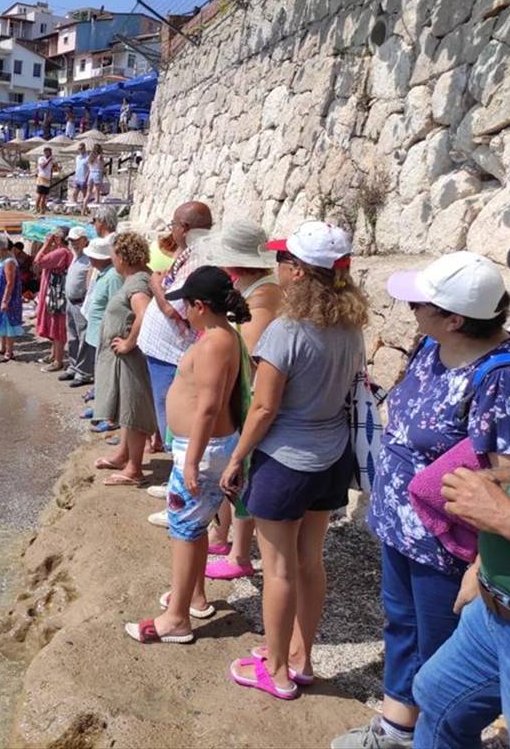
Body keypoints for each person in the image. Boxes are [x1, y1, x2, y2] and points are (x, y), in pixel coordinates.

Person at [332, 251, 510, 748]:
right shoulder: (432, 346)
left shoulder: (505, 377)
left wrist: (478, 563)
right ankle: (395, 728)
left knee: (438, 647)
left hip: (445, 543)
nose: (411, 312)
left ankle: (430, 734)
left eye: (417, 306)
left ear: (454, 318)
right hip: (399, 526)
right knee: (401, 626)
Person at [219, 221, 368, 700]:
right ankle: (301, 657)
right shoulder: (349, 328)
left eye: (284, 261)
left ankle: (277, 670)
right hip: (331, 456)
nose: (277, 267)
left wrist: (237, 458)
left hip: (285, 459)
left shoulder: (286, 331)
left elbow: (264, 408)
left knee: (279, 567)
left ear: (300, 273)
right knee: (310, 560)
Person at [409, 245, 510, 749]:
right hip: (499, 610)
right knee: (436, 698)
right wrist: (484, 565)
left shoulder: (509, 375)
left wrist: (504, 519)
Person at [125, 267, 251, 643]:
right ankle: (192, 597)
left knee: (182, 530)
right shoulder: (221, 336)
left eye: (185, 304)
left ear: (200, 305)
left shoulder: (214, 343)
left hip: (203, 448)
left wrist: (192, 461)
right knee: (193, 527)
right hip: (204, 446)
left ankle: (176, 618)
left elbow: (209, 407)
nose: (182, 310)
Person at [196, 220, 283, 576]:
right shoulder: (258, 288)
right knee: (235, 471)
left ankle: (239, 554)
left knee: (241, 471)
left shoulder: (263, 296)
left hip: (251, 397)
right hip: (248, 394)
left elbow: (251, 353)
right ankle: (224, 535)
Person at [137, 201, 213, 452]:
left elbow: (173, 309)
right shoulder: (190, 255)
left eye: (173, 225)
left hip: (171, 353)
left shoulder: (197, 261)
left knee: (172, 416)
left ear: (184, 228)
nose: (171, 231)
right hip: (164, 350)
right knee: (164, 411)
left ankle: (177, 475)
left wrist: (156, 284)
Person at [92, 232, 156, 485]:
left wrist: (129, 342)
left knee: (133, 407)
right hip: (125, 358)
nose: (112, 260)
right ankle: (122, 455)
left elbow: (144, 312)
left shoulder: (137, 282)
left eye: (114, 256)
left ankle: (134, 469)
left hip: (131, 358)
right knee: (126, 408)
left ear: (123, 258)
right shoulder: (136, 278)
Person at [80, 235, 122, 431]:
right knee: (100, 373)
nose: (90, 259)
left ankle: (110, 416)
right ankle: (100, 408)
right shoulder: (103, 272)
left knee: (108, 376)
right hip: (97, 332)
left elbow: (116, 306)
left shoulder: (113, 276)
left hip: (106, 332)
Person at [34, 228, 73, 372]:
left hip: (56, 294)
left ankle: (58, 360)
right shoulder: (64, 252)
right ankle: (53, 355)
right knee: (54, 324)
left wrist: (45, 244)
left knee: (56, 326)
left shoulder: (61, 252)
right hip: (55, 293)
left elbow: (38, 261)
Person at [60, 227, 94, 387]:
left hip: (80, 302)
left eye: (75, 240)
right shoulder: (76, 256)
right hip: (71, 301)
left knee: (83, 338)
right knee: (72, 337)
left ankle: (84, 372)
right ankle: (74, 366)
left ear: (84, 240)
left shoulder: (89, 258)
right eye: (71, 240)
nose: (72, 243)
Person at [0, 233, 23, 362]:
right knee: (0, 322)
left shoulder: (9, 261)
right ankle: (1, 348)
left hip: (8, 298)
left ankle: (9, 351)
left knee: (8, 324)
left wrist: (5, 300)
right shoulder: (2, 260)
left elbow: (10, 282)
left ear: (1, 249)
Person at [83, 144, 106, 216]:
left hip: (91, 174)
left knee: (88, 193)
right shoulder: (100, 157)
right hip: (97, 173)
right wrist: (105, 171)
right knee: (97, 193)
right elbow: (102, 167)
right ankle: (96, 214)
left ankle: (83, 210)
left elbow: (88, 166)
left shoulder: (90, 157)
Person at [35, 148, 58, 215]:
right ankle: (37, 208)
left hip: (47, 179)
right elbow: (42, 166)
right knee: (40, 194)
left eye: (49, 152)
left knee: (45, 196)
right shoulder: (41, 159)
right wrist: (49, 160)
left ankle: (42, 209)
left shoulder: (51, 160)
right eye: (47, 152)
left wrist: (55, 166)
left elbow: (52, 170)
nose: (48, 153)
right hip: (41, 178)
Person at [72, 143, 89, 207]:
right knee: (74, 194)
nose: (80, 150)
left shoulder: (87, 157)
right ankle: (75, 207)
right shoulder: (77, 157)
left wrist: (86, 178)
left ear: (84, 148)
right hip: (77, 178)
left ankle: (85, 208)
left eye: (81, 148)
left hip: (83, 179)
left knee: (84, 195)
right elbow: (77, 168)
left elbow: (89, 169)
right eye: (79, 149)